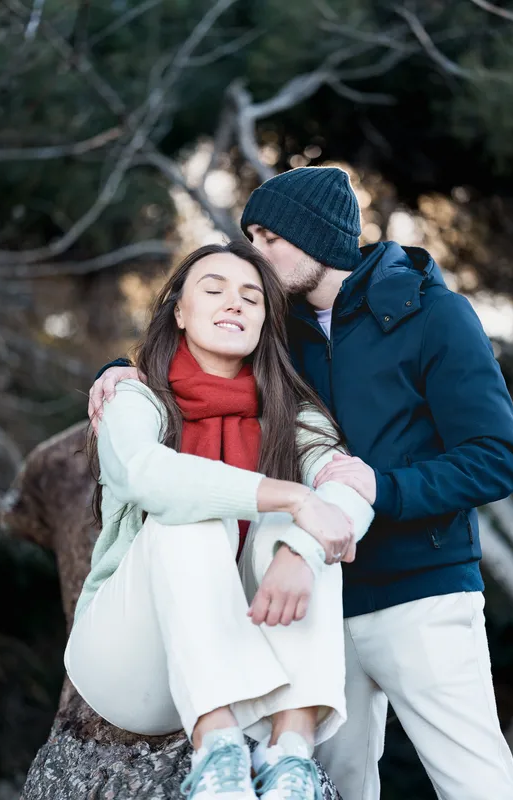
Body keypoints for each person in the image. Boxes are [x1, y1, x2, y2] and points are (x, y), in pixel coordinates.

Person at [90, 166, 513, 800]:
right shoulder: (277, 328)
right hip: (313, 601)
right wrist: (118, 371)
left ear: (317, 238)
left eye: (268, 237)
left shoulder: (434, 316)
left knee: (476, 781)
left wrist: (383, 490)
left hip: (419, 591)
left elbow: (495, 457)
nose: (254, 253)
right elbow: (197, 358)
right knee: (327, 785)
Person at [67, 239, 375, 800]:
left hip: (249, 661)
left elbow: (350, 488)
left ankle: (289, 759)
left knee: (300, 531)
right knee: (194, 512)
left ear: (264, 324)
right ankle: (218, 754)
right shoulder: (136, 398)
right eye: (214, 290)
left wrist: (302, 550)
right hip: (130, 662)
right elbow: (148, 476)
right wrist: (293, 497)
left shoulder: (293, 413)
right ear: (180, 313)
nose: (234, 302)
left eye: (252, 298)